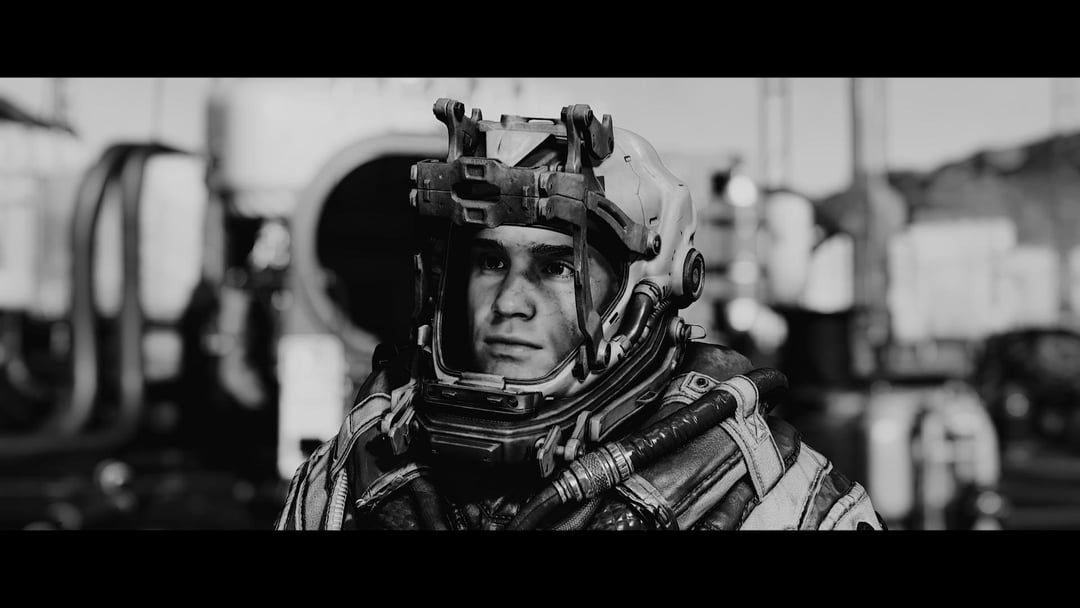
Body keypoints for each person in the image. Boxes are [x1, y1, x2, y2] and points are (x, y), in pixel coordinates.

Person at [275, 99, 885, 530]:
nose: (509, 303)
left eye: (557, 269)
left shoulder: (772, 501)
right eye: (489, 262)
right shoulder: (353, 473)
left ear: (645, 294)